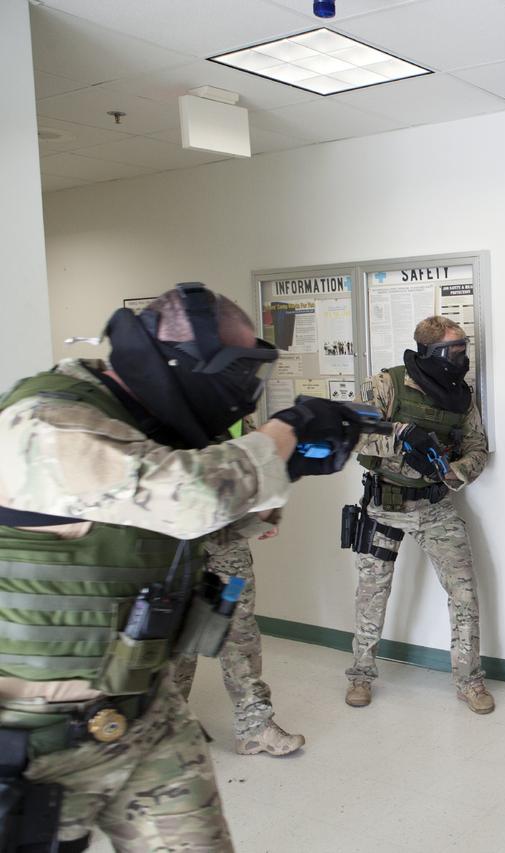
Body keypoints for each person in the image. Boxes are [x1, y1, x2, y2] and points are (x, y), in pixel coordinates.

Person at [0, 284, 362, 851]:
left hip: (146, 711)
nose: (243, 402)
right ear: (177, 363)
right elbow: (192, 499)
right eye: (237, 380)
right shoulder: (44, 422)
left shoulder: (148, 429)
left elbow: (199, 526)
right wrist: (288, 431)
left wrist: (288, 472)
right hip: (39, 736)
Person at [344, 316, 492, 714]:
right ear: (430, 352)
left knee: (464, 595)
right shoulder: (386, 385)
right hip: (383, 507)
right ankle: (360, 674)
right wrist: (401, 438)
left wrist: (453, 473)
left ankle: (469, 680)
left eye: (464, 347)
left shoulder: (462, 395)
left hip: (435, 506)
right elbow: (353, 434)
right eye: (454, 350)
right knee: (372, 594)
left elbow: (479, 447)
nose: (462, 358)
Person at [170, 425, 305, 757]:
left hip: (227, 541)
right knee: (176, 638)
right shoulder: (157, 400)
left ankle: (255, 726)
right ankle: (169, 728)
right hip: (172, 544)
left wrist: (266, 510)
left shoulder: (230, 406)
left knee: (240, 633)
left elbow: (256, 459)